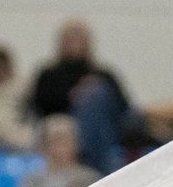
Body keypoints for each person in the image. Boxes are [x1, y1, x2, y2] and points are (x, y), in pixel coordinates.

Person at [28, 20, 132, 173]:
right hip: (65, 127)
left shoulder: (104, 75)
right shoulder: (49, 75)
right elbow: (40, 107)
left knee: (99, 96)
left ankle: (92, 159)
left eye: (80, 38)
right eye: (71, 38)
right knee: (91, 101)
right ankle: (94, 164)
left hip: (105, 131)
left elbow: (124, 108)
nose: (76, 44)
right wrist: (75, 95)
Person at [18, 116, 101, 187]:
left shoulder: (89, 178)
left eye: (67, 140)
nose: (61, 146)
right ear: (42, 146)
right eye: (56, 140)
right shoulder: (32, 181)